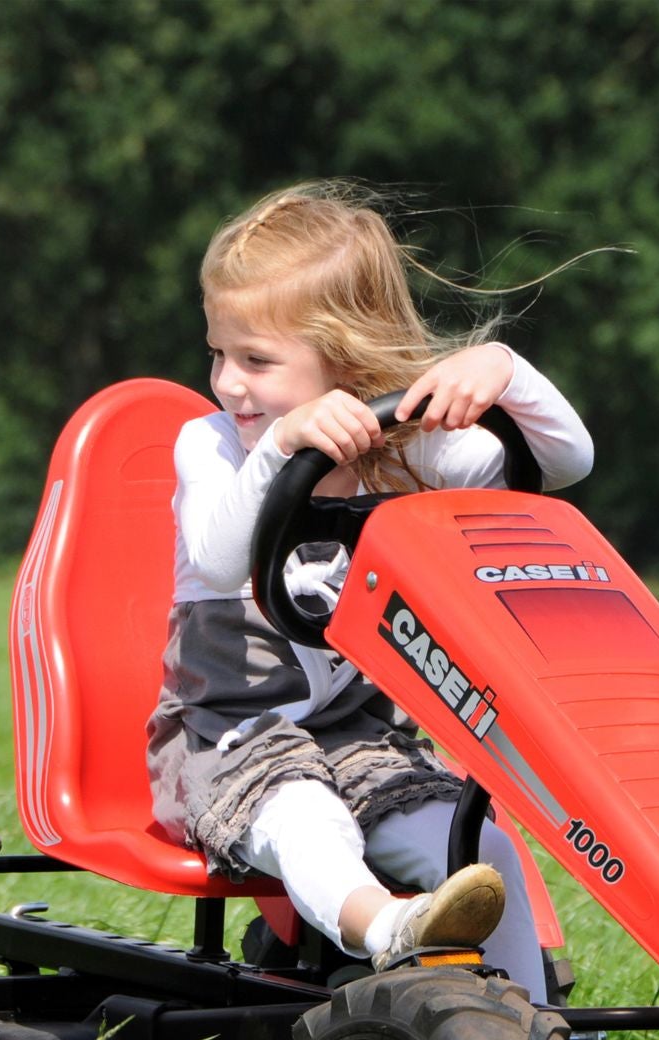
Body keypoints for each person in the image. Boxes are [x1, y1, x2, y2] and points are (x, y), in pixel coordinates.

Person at [147, 182, 593, 997]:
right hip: (226, 740)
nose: (228, 384)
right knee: (308, 818)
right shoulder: (211, 449)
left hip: (360, 735)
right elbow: (216, 559)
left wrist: (505, 371)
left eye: (256, 361)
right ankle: (386, 927)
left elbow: (565, 463)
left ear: (346, 363)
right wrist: (283, 443)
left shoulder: (408, 458)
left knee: (482, 847)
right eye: (219, 353)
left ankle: (537, 1030)